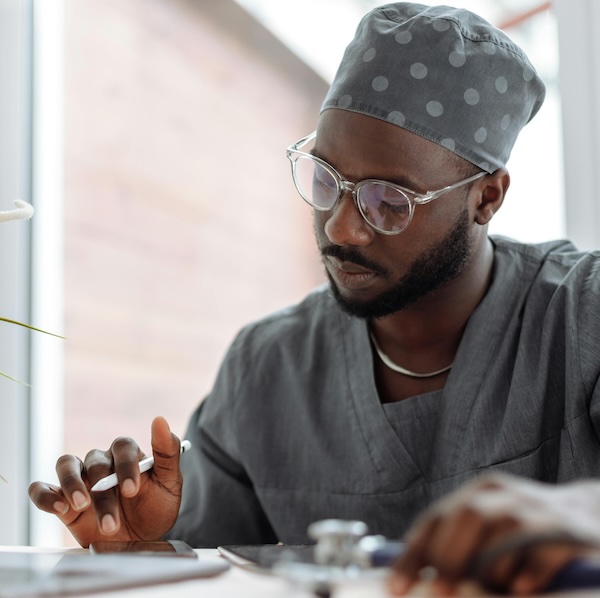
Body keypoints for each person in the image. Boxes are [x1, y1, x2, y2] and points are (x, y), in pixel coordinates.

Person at [29, 3, 600, 595]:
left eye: (390, 202)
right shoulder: (269, 369)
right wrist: (145, 551)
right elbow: (208, 572)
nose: (341, 229)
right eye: (326, 180)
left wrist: (582, 515)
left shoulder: (583, 318)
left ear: (486, 198)